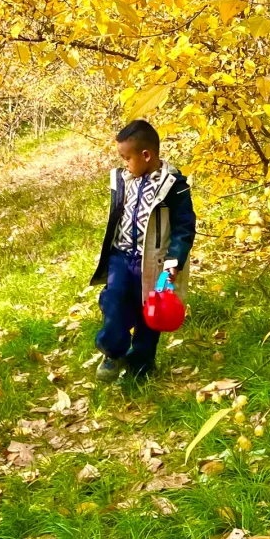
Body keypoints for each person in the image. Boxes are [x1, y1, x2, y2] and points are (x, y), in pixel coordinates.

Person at [90, 119, 196, 383]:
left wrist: (174, 262)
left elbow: (184, 227)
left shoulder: (174, 185)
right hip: (121, 257)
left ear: (146, 155)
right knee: (114, 301)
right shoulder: (123, 179)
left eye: (128, 158)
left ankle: (140, 365)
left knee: (150, 314)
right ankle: (112, 352)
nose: (125, 163)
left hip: (154, 262)